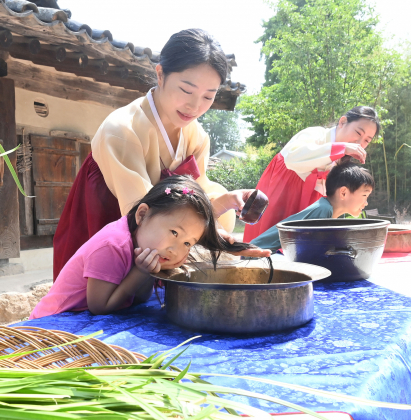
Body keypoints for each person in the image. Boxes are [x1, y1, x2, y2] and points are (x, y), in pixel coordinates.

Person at [53, 28, 266, 282]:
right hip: (112, 226)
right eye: (186, 90)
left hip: (160, 236)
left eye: (208, 96)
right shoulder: (122, 130)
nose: (195, 106)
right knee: (95, 303)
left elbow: (193, 196)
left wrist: (226, 202)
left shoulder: (196, 136)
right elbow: (140, 216)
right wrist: (215, 240)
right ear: (161, 74)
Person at [31, 176, 262, 319]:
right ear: (142, 214)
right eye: (174, 233)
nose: (176, 250)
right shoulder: (112, 245)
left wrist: (151, 272)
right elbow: (99, 307)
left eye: (187, 243)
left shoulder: (145, 244)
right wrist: (140, 272)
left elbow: (137, 299)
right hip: (52, 324)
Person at [243, 106, 381, 243]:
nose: (360, 143)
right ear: (342, 122)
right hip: (281, 193)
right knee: (268, 241)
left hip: (309, 206)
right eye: (358, 133)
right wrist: (341, 148)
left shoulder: (341, 159)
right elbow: (292, 159)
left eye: (367, 140)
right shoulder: (315, 135)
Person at [250, 162, 375, 252]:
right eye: (365, 195)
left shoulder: (331, 212)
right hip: (259, 254)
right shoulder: (324, 210)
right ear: (343, 193)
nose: (366, 202)